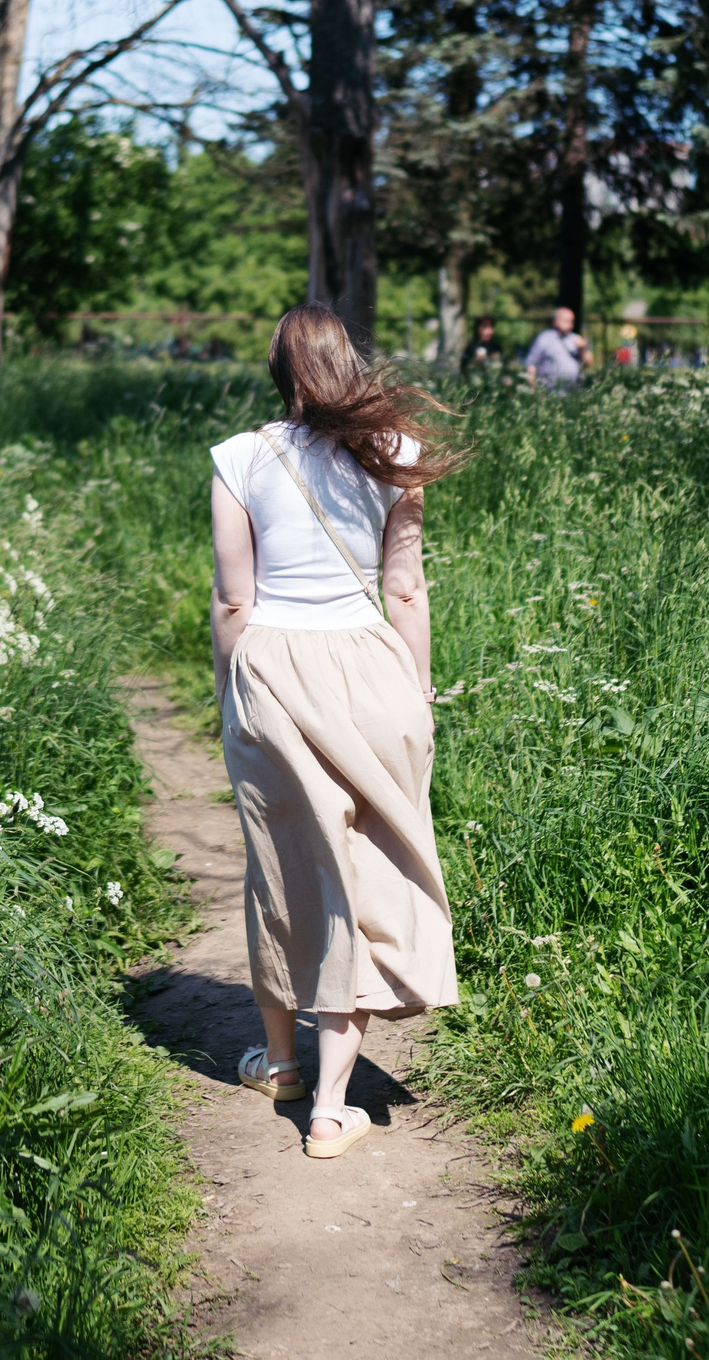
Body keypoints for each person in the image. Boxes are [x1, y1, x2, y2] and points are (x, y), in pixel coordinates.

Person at [207, 305, 463, 1160]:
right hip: (369, 673)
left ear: (279, 369)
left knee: (281, 867)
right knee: (360, 877)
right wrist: (419, 693)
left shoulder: (240, 457)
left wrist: (228, 690)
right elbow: (407, 591)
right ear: (348, 362)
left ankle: (280, 1064)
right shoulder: (395, 454)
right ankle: (329, 1107)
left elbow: (235, 599)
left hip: (275, 671)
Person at [524, 305, 587, 390]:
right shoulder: (544, 338)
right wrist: (532, 384)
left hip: (573, 393)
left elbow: (588, 363)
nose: (570, 325)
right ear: (556, 321)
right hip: (550, 392)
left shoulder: (576, 339)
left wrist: (582, 350)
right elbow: (531, 363)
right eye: (566, 321)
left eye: (572, 321)